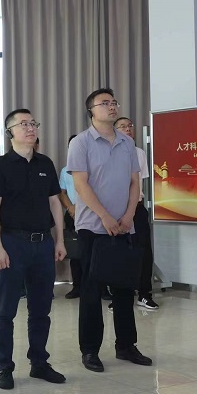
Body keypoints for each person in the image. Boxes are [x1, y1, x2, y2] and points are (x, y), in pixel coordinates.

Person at [67, 88, 152, 373]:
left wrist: (128, 216)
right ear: (91, 111)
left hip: (124, 226)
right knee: (91, 290)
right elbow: (80, 185)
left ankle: (126, 346)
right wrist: (104, 216)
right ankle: (90, 350)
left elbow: (134, 183)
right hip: (93, 227)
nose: (111, 106)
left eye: (113, 102)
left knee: (124, 288)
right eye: (104, 103)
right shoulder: (80, 143)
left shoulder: (127, 143)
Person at [0, 109, 67, 390]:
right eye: (23, 124)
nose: (30, 128)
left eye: (33, 123)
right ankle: (4, 367)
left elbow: (55, 203)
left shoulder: (46, 163)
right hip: (12, 244)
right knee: (5, 311)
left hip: (42, 243)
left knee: (41, 309)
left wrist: (59, 240)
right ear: (9, 132)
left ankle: (39, 362)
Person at [114, 117, 158, 310]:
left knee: (143, 251)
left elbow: (141, 182)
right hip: (116, 207)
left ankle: (144, 294)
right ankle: (119, 296)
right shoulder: (109, 152)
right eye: (122, 126)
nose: (128, 129)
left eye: (130, 126)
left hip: (137, 206)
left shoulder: (139, 153)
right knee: (118, 252)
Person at [59, 135, 83, 299]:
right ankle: (77, 286)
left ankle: (101, 288)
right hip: (72, 214)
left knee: (96, 251)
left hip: (92, 214)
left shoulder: (92, 165)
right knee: (76, 252)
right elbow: (62, 192)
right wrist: (70, 207)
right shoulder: (65, 170)